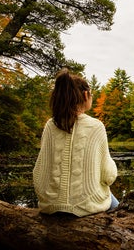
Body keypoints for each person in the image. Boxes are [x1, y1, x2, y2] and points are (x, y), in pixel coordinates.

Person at [33, 68, 119, 216]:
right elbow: (108, 176)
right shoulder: (96, 126)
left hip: (50, 205)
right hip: (85, 207)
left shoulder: (50, 125)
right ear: (86, 95)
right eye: (91, 94)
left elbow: (38, 173)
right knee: (118, 206)